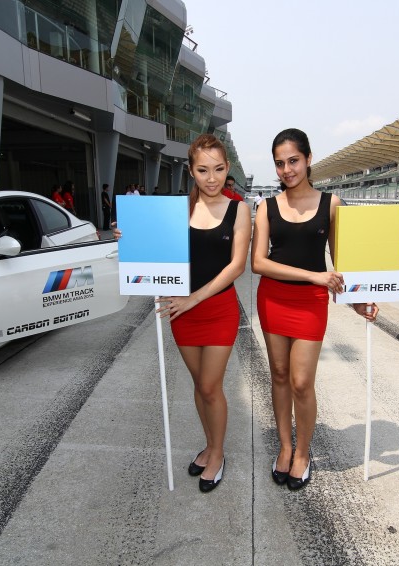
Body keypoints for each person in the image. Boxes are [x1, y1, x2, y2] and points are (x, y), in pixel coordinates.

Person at [115, 134, 251, 493]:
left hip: (218, 309)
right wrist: (126, 236)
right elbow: (153, 247)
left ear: (227, 169)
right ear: (191, 170)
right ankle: (209, 444)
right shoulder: (178, 211)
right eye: (203, 170)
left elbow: (236, 266)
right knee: (198, 386)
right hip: (181, 312)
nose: (212, 178)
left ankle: (218, 453)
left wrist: (194, 299)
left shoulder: (239, 209)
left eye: (219, 169)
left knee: (211, 386)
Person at [251, 128, 379, 491]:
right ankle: (286, 447)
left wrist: (358, 299)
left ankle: (303, 452)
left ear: (308, 159)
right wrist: (314, 275)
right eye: (280, 163)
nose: (287, 169)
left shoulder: (331, 203)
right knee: (278, 375)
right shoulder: (267, 207)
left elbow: (342, 261)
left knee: (301, 382)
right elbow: (258, 263)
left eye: (293, 161)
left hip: (310, 304)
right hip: (273, 298)